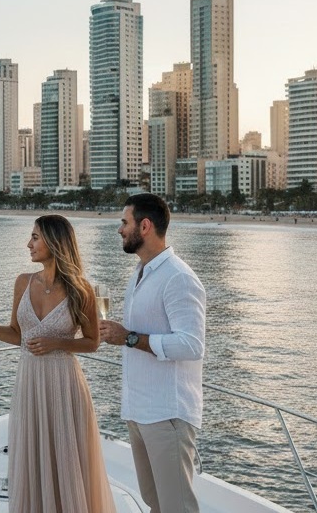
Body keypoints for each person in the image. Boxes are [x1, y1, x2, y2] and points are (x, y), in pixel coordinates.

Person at [0, 215, 115, 512]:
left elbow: (92, 342)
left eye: (35, 237)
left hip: (64, 384)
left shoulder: (81, 290)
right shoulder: (23, 282)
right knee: (31, 456)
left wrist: (57, 342)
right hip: (30, 383)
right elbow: (18, 335)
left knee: (66, 459)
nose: (28, 244)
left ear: (55, 242)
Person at [100, 193, 206, 513]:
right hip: (139, 410)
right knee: (154, 502)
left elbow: (191, 344)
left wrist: (129, 338)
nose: (120, 229)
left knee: (177, 507)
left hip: (167, 415)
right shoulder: (140, 272)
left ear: (144, 226)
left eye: (124, 222)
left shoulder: (179, 278)